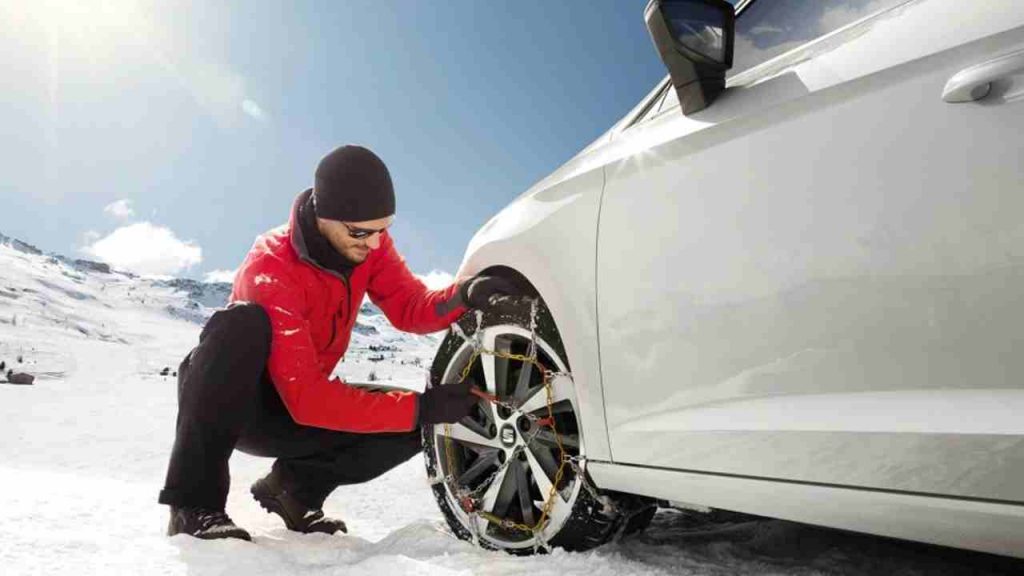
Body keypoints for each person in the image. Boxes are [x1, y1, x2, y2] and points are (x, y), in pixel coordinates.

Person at [158, 145, 518, 541]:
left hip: (300, 407)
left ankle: (293, 491)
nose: (375, 244)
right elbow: (308, 399)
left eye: (383, 230)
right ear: (323, 215)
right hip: (239, 406)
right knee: (239, 325)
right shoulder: (272, 267)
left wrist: (464, 295)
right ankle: (193, 506)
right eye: (361, 232)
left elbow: (409, 307)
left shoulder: (367, 244)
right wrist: (419, 408)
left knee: (412, 421)